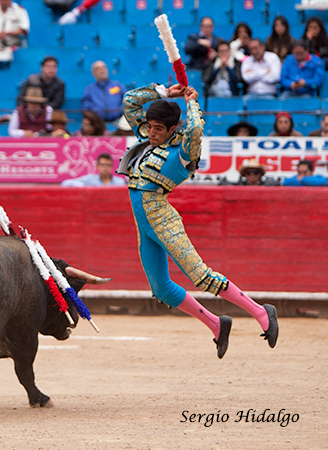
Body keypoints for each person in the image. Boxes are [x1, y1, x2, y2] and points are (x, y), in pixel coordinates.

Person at [117, 81, 278, 358]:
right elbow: (130, 101)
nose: (152, 132)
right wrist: (166, 93)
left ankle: (261, 311)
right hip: (144, 225)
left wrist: (192, 102)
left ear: (171, 129)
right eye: (150, 126)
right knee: (161, 289)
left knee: (201, 276)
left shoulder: (183, 152)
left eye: (158, 128)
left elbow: (194, 129)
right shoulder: (146, 137)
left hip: (163, 220)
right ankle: (216, 324)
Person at [61, 153, 126, 187]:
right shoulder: (90, 179)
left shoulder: (119, 182)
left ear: (112, 167)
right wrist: (84, 187)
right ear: (97, 166)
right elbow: (65, 183)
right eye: (103, 165)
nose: (105, 167)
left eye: (108, 165)